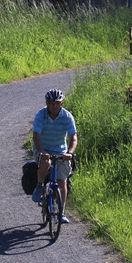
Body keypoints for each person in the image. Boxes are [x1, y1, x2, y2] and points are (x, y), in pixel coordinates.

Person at [32, 88, 78, 224]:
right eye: (51, 103)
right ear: (46, 103)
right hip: (43, 148)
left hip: (61, 151)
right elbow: (36, 136)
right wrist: (42, 152)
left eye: (57, 103)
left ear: (62, 103)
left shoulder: (67, 116)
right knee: (45, 163)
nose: (54, 106)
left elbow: (73, 137)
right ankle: (40, 186)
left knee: (62, 181)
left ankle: (61, 212)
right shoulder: (40, 115)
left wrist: (69, 152)